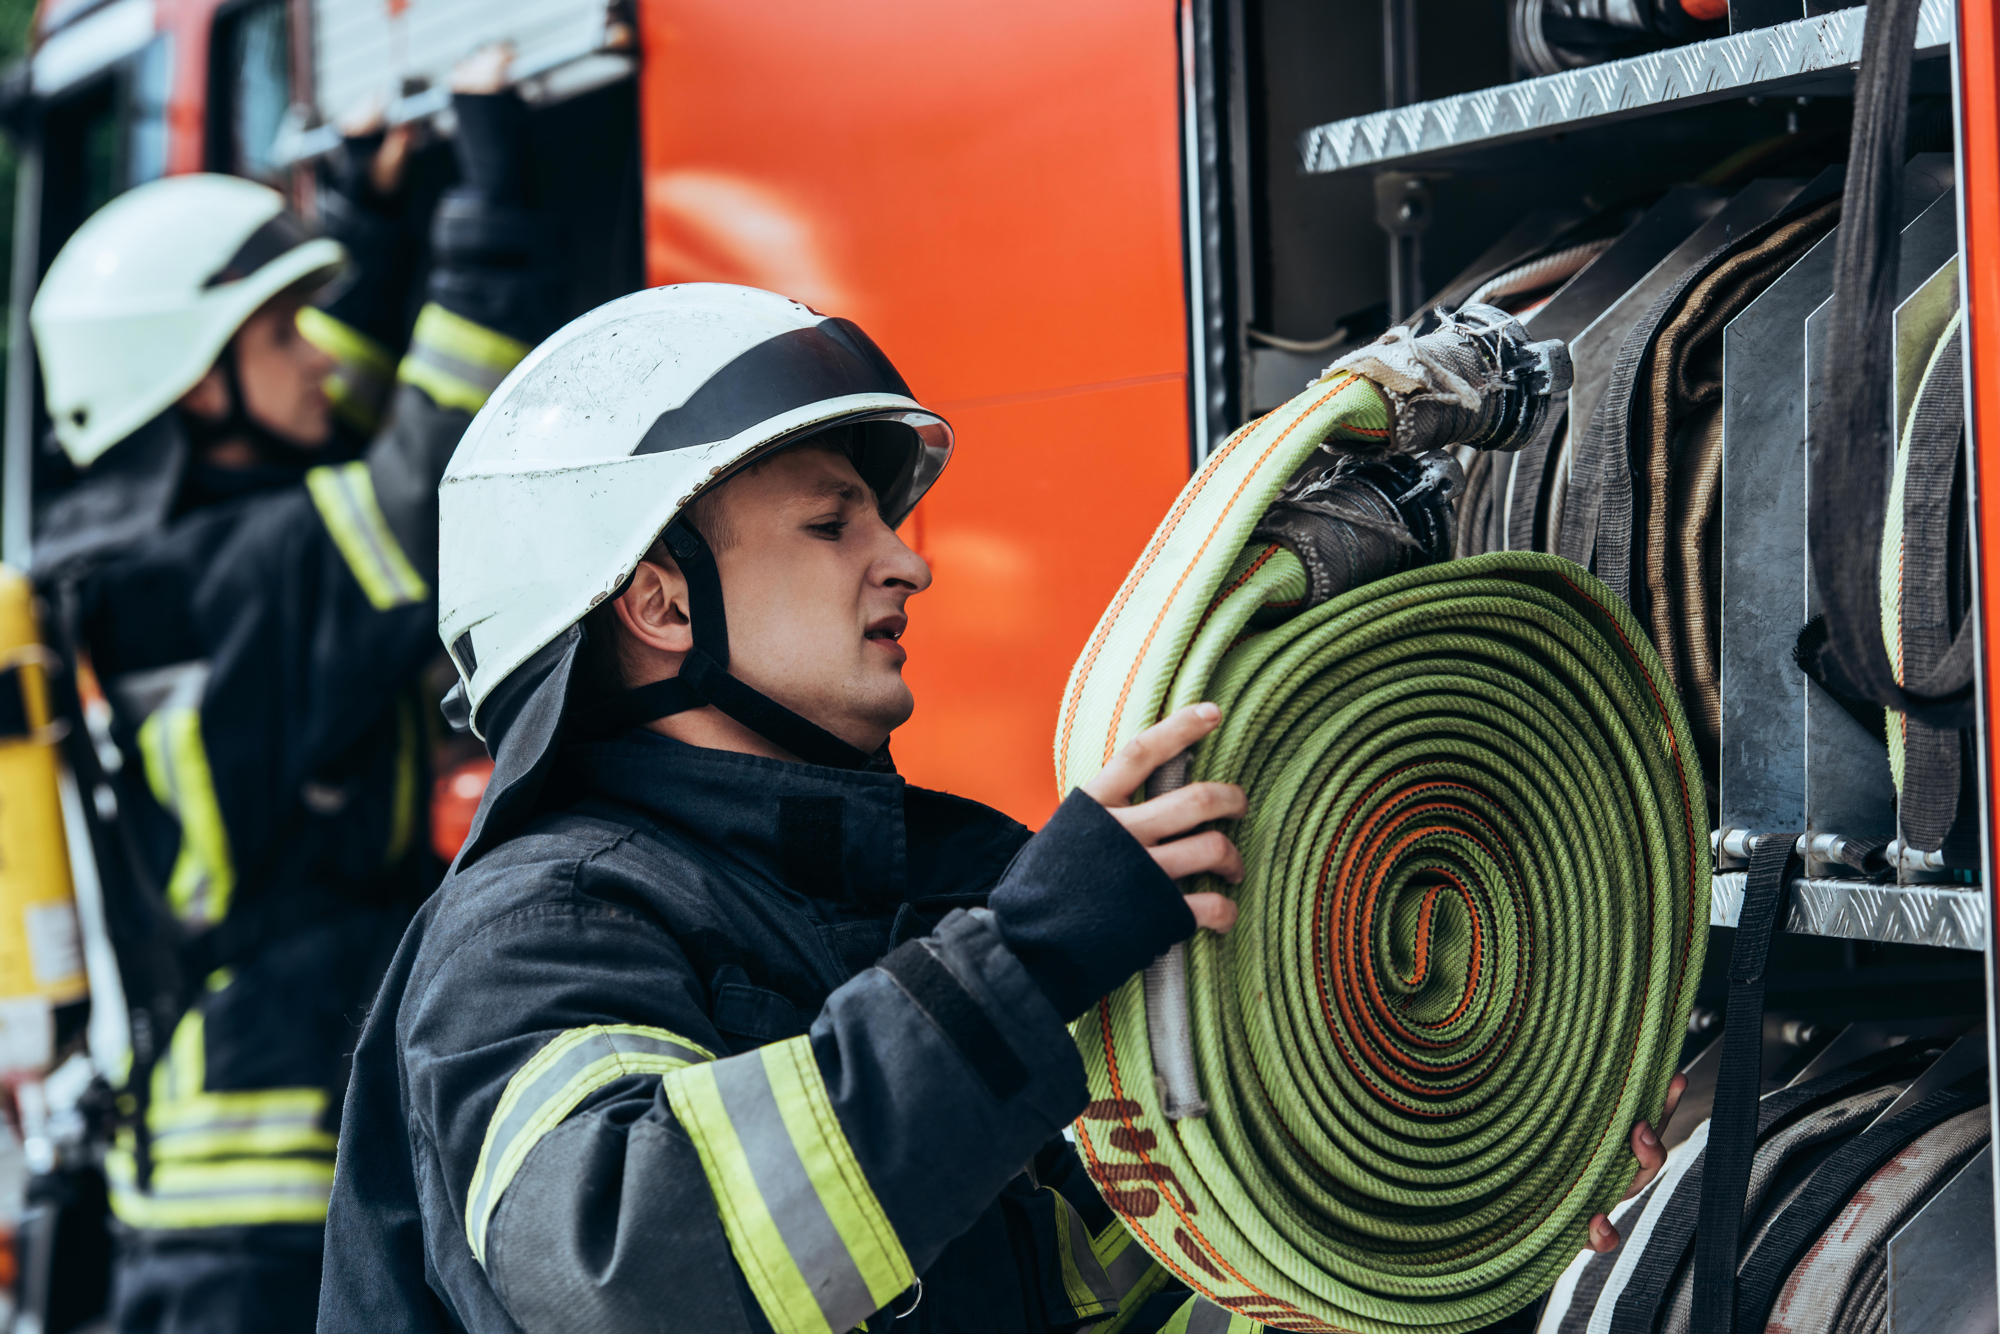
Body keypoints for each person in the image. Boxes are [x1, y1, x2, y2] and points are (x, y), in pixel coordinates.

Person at [319, 284, 1680, 1334]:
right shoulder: (539, 924)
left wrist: (1477, 1217)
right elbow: (628, 1268)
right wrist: (1023, 962)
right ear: (661, 600)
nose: (906, 560)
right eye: (832, 521)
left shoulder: (915, 898)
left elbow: (1126, 1291)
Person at [28, 51, 555, 1333]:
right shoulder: (231, 575)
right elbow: (431, 478)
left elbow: (334, 431)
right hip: (264, 1196)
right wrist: (495, 202)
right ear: (199, 385)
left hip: (215, 1173)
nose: (318, 359)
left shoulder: (155, 561)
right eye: (280, 333)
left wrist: (368, 230)